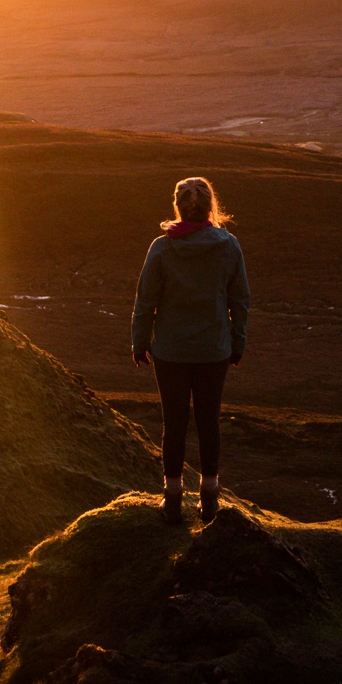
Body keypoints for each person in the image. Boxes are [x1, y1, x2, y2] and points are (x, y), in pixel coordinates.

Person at [130, 176, 249, 524]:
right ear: (210, 207)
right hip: (214, 350)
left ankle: (172, 500)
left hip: (171, 351)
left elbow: (145, 301)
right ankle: (210, 499)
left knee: (175, 423)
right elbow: (239, 300)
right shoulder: (229, 246)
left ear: (178, 207)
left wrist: (140, 342)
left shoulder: (162, 247)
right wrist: (237, 342)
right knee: (208, 421)